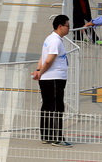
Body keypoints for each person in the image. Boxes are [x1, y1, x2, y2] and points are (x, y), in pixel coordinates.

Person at [33, 15, 71, 146]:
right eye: (67, 26)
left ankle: (47, 135)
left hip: (48, 78)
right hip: (54, 78)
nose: (69, 29)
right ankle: (56, 137)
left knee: (48, 106)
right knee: (56, 107)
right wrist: (40, 72)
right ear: (60, 26)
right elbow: (49, 60)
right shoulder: (55, 41)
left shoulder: (50, 38)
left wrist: (38, 71)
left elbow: (42, 58)